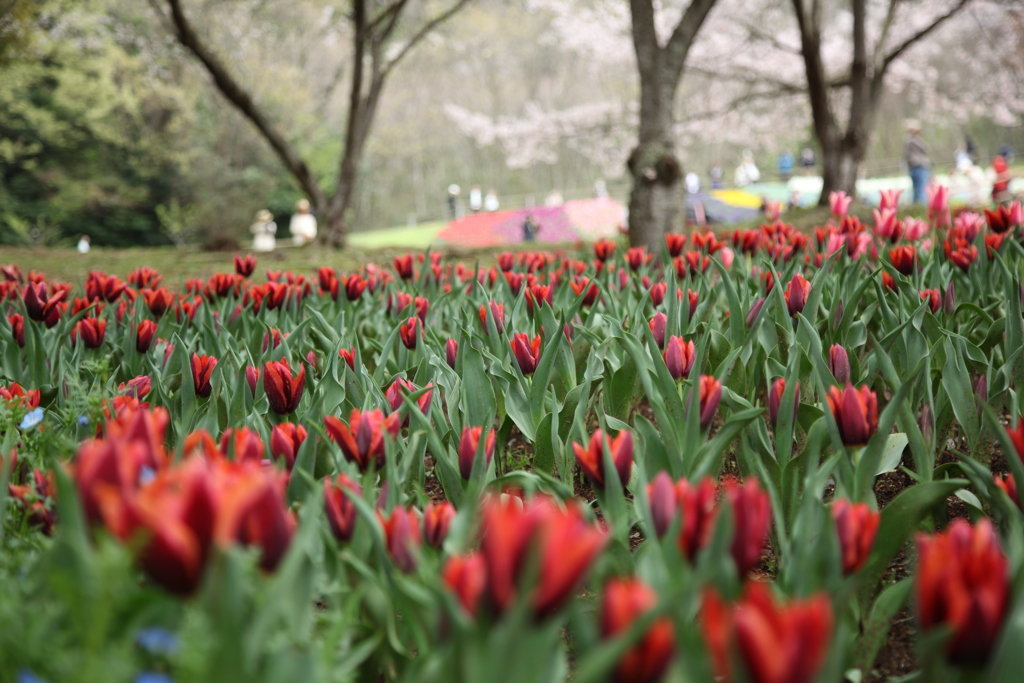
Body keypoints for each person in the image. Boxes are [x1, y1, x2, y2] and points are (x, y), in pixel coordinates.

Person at [904, 119, 930, 205]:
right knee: (920, 189)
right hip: (918, 166)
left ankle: (917, 206)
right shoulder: (913, 141)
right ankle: (920, 207)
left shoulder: (908, 141)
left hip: (914, 167)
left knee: (917, 189)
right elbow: (926, 148)